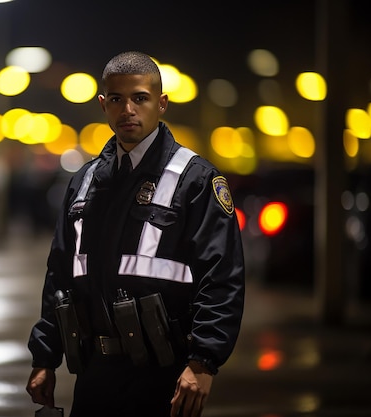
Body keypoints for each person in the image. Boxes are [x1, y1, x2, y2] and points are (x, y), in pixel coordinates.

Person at [26, 51, 245, 417]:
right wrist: (45, 356)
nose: (128, 109)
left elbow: (222, 277)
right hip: (96, 373)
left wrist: (204, 361)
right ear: (103, 104)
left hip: (164, 374)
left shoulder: (195, 179)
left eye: (140, 98)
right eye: (116, 99)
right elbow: (60, 274)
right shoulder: (84, 181)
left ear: (161, 103)